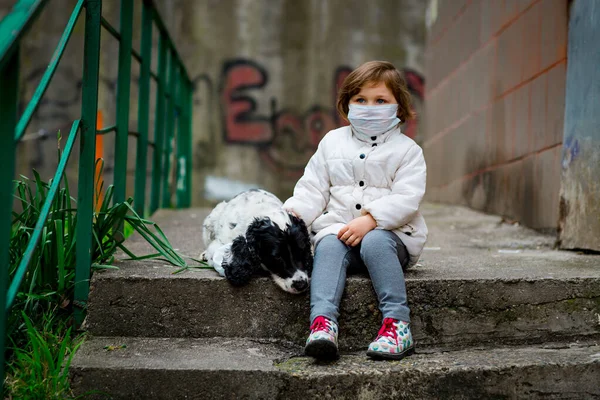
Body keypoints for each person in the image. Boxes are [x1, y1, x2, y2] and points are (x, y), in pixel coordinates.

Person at [282, 60, 427, 361]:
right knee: (328, 241)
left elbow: (407, 197)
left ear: (398, 106)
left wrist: (372, 220)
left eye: (380, 100)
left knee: (374, 240)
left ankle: (397, 325)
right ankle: (322, 325)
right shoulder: (332, 143)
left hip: (390, 238)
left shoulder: (408, 151)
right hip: (341, 232)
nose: (370, 107)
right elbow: (312, 188)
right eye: (360, 99)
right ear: (346, 103)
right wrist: (290, 218)